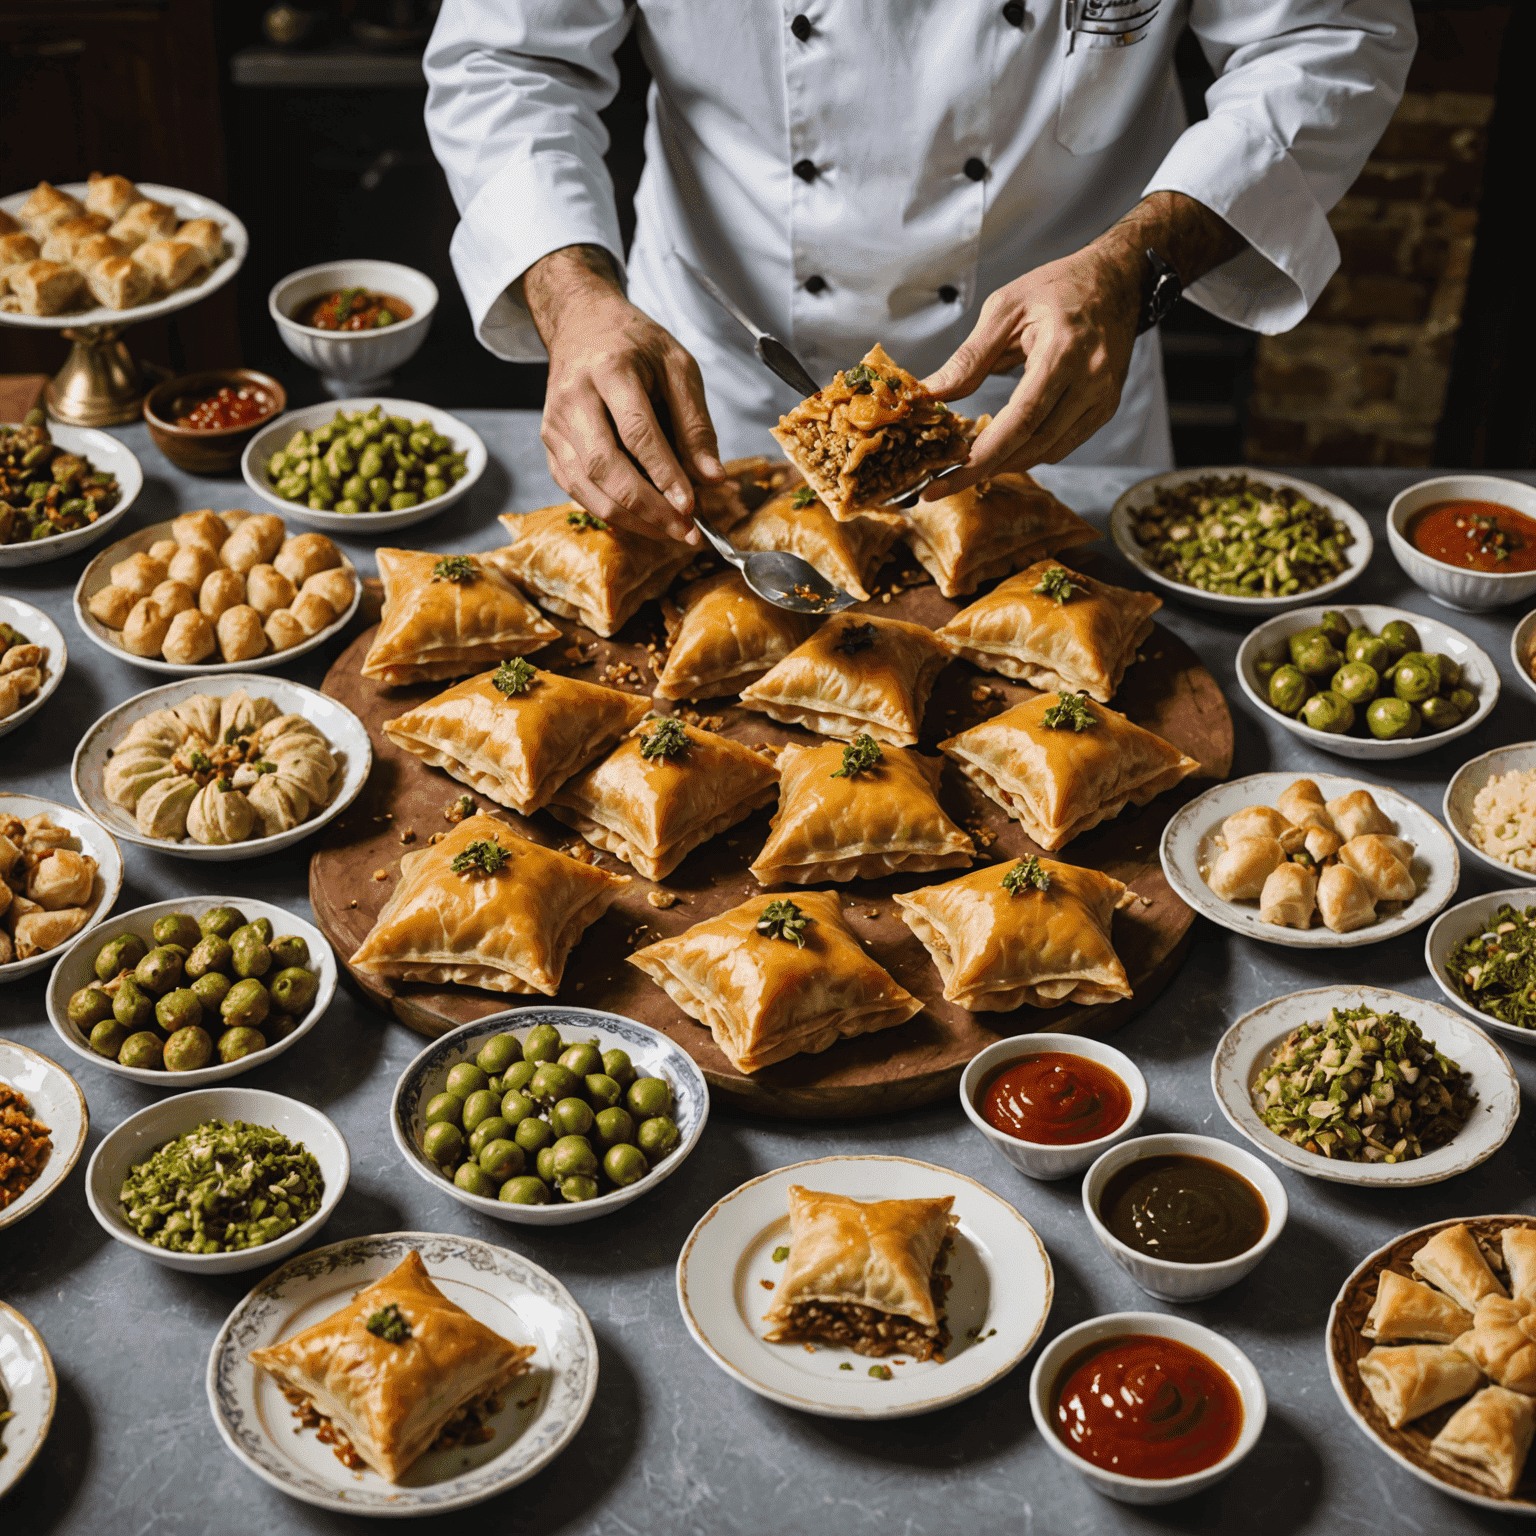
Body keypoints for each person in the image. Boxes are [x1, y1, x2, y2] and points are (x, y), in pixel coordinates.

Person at [424, 0, 1415, 541]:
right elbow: (506, 61)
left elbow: (1331, 37)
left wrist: (1134, 263)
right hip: (721, 381)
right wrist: (575, 299)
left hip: (1059, 390)